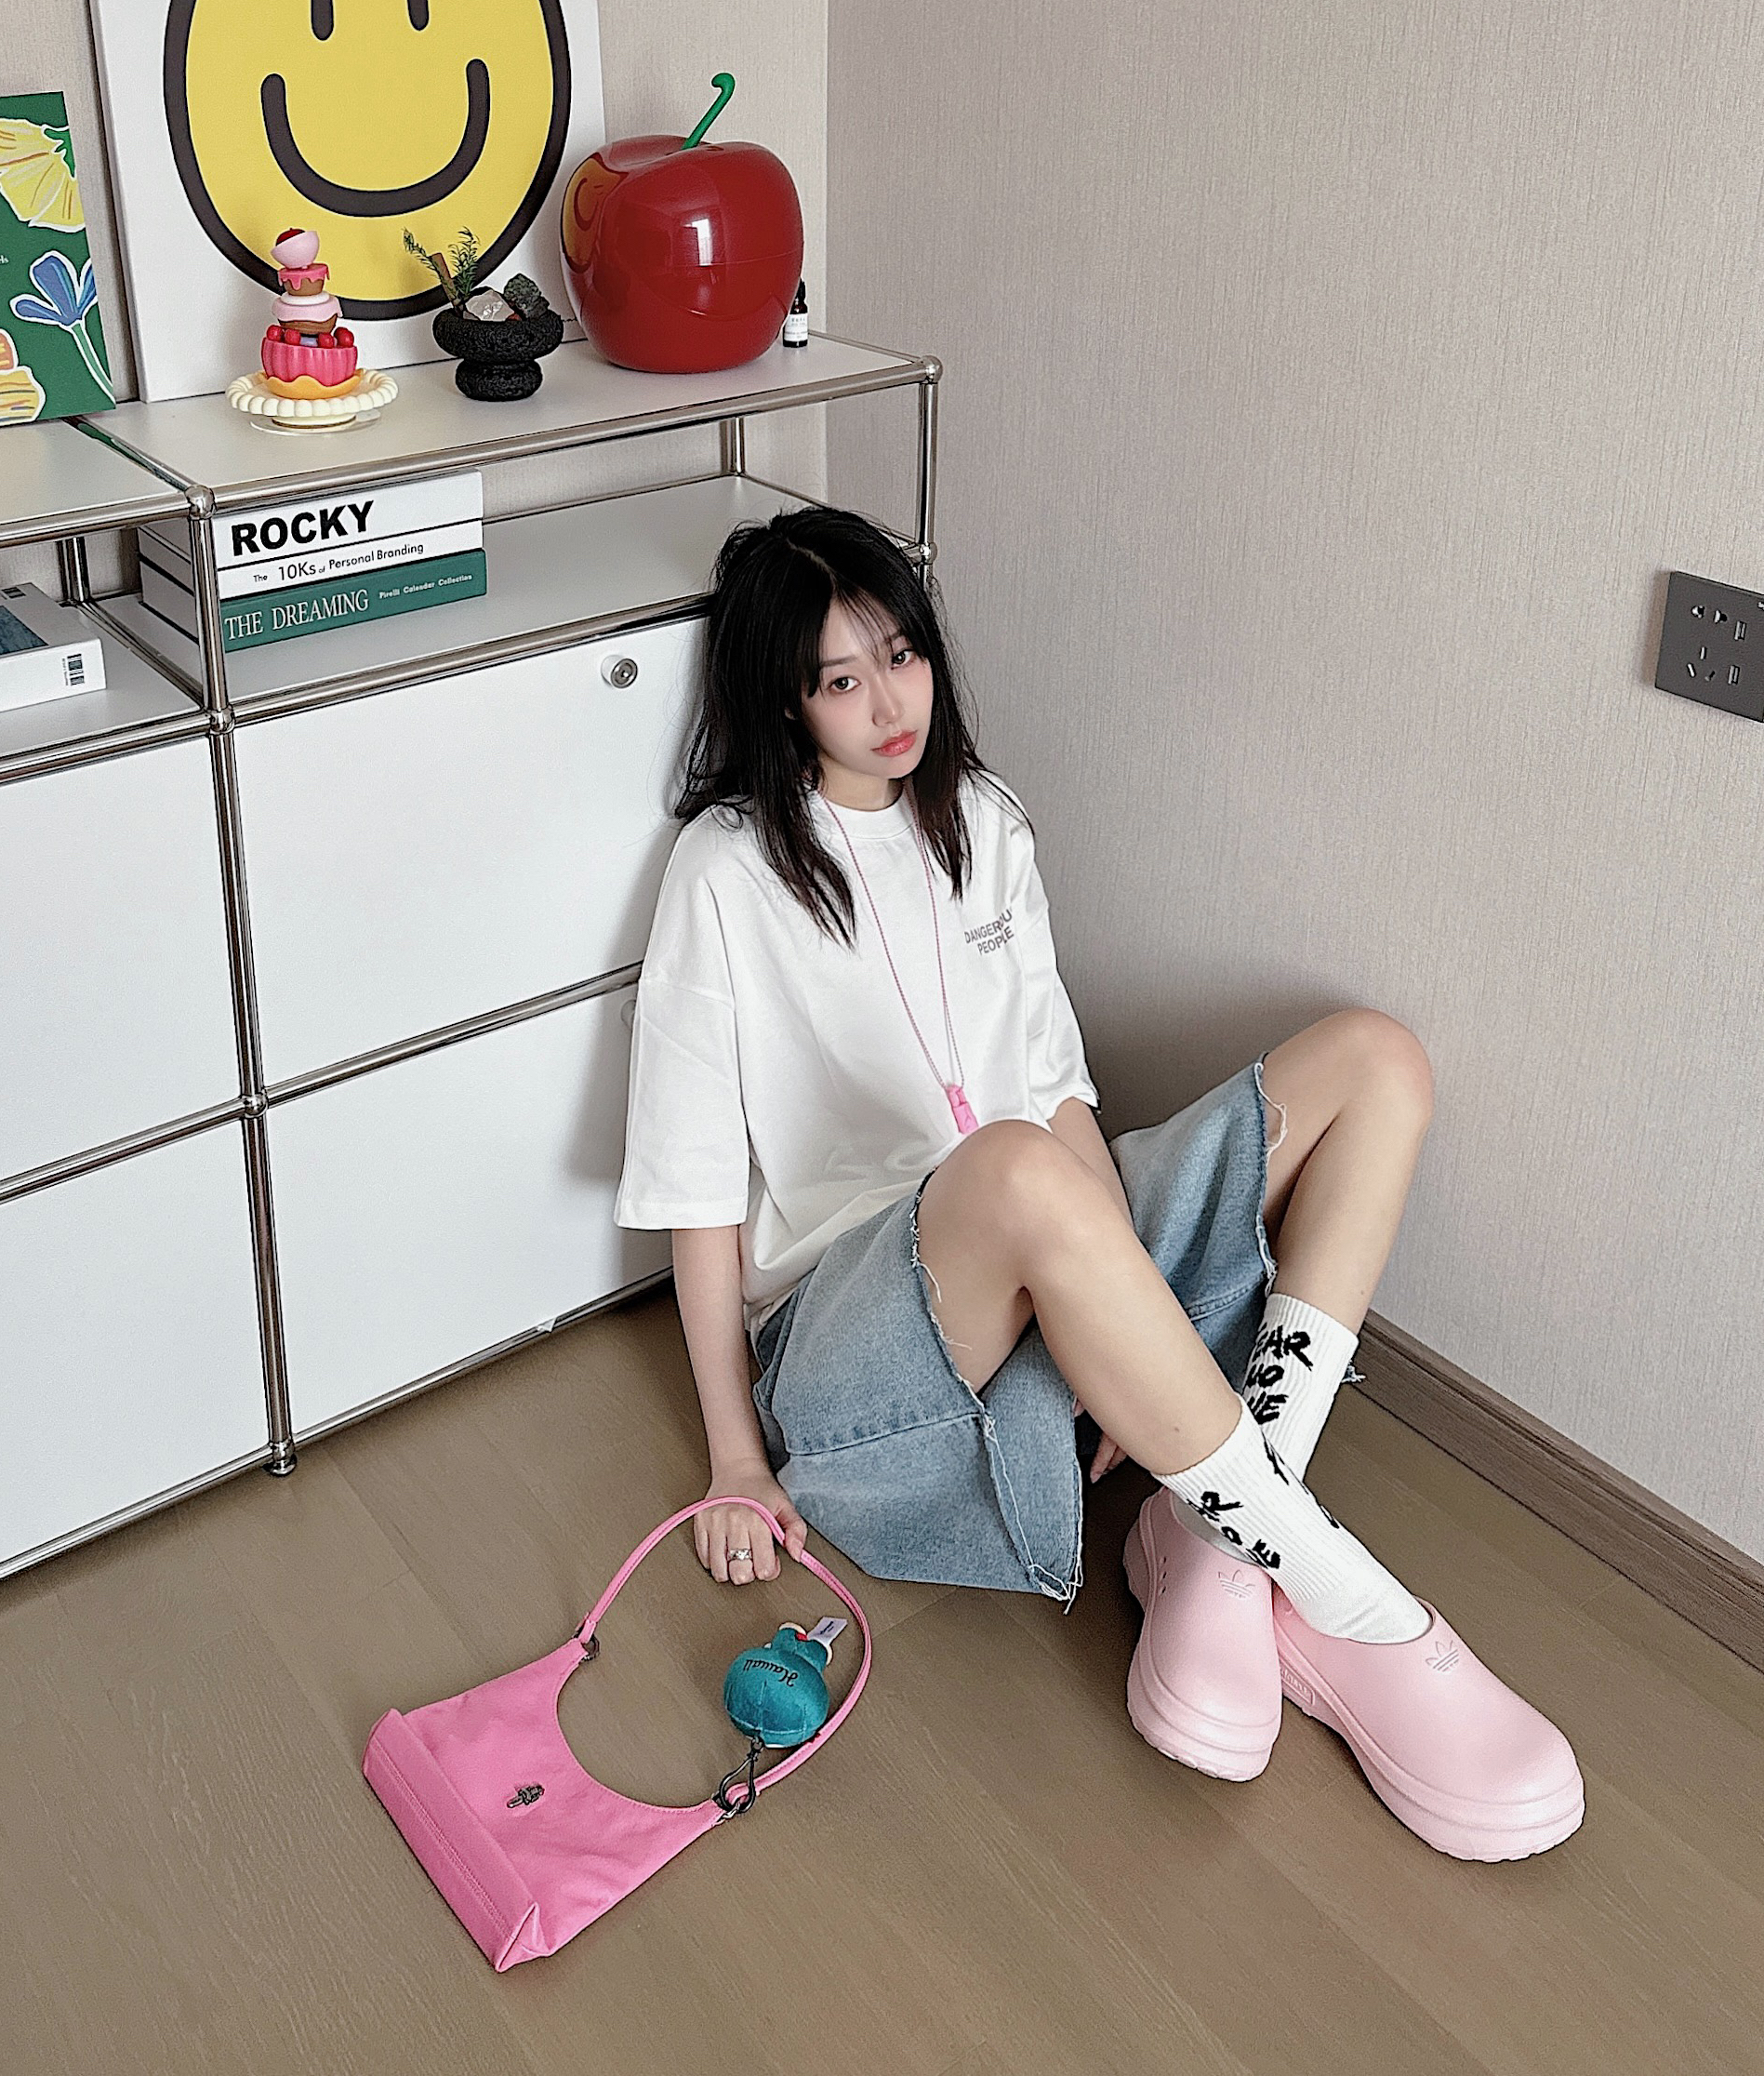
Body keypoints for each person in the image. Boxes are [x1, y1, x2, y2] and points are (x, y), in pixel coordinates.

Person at [616, 507, 1583, 1862]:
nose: (891, 705)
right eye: (840, 679)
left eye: (903, 655)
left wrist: (1123, 1308)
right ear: (784, 700)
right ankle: (1353, 1602)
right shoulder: (726, 872)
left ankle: (1220, 1544)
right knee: (1009, 1169)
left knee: (1377, 1061)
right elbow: (698, 1192)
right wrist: (731, 1456)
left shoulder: (984, 820)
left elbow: (1059, 1091)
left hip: (1055, 1232)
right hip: (862, 1337)